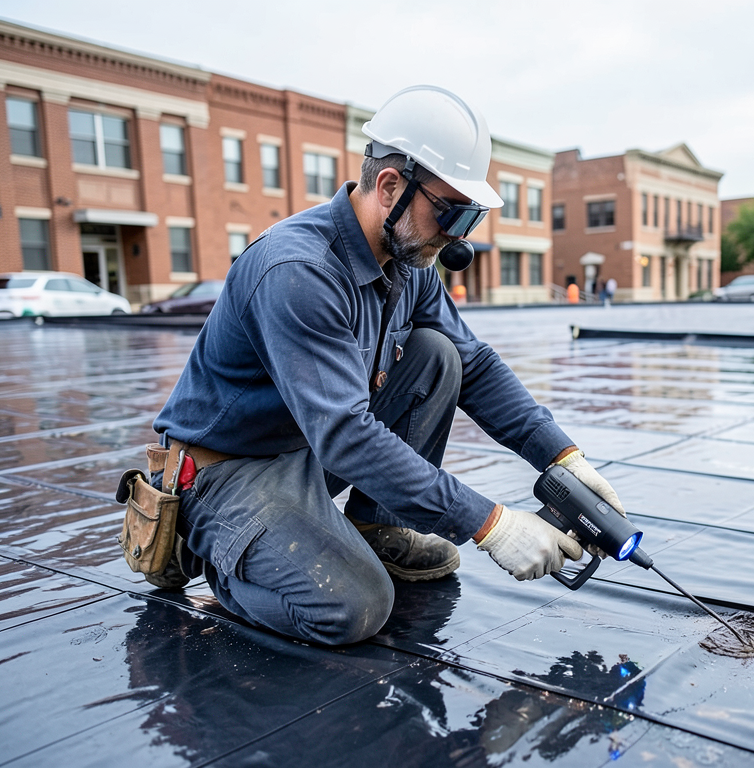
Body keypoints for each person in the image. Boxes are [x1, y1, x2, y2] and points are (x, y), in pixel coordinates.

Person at [144, 85, 627, 646]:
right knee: (355, 606)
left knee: (437, 355)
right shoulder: (296, 271)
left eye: (468, 216)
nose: (456, 235)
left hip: (307, 445)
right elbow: (347, 434)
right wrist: (490, 523)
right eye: (449, 210)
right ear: (390, 185)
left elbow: (473, 364)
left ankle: (374, 527)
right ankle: (224, 562)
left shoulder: (409, 256)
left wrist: (563, 457)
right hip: (228, 469)